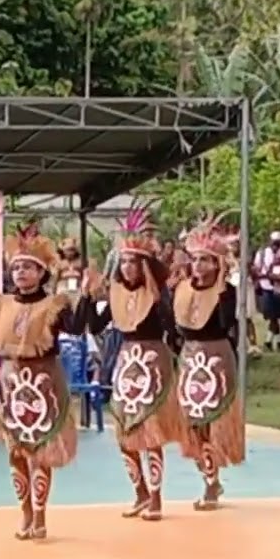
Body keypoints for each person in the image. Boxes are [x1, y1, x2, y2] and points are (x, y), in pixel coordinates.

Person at [0, 224, 79, 540]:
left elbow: (77, 327)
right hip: (11, 386)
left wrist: (85, 296)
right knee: (16, 450)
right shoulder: (1, 304)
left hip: (43, 384)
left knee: (40, 451)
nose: (21, 272)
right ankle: (24, 511)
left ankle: (40, 514)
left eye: (28, 267)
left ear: (41, 272)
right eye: (16, 267)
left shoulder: (54, 305)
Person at [78, 213, 185, 521]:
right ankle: (138, 492)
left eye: (133, 262)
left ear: (144, 265)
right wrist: (86, 294)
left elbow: (170, 326)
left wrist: (157, 296)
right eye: (123, 262)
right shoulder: (116, 294)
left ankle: (155, 498)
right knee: (125, 432)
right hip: (126, 362)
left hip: (153, 361)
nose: (127, 267)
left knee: (150, 432)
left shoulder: (156, 295)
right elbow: (94, 324)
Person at [173, 221, 243, 511]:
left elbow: (228, 325)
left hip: (216, 358)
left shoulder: (226, 292)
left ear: (217, 264)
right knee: (194, 422)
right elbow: (176, 328)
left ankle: (212, 483)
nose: (198, 265)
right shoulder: (180, 289)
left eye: (205, 260)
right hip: (190, 358)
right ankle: (209, 478)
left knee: (213, 421)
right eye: (195, 259)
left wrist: (225, 290)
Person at [253, 231, 280, 350]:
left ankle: (270, 340)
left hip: (279, 288)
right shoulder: (262, 253)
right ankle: (278, 340)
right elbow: (256, 269)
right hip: (265, 286)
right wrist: (265, 275)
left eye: (278, 242)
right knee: (271, 314)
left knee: (277, 315)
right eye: (273, 242)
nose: (275, 245)